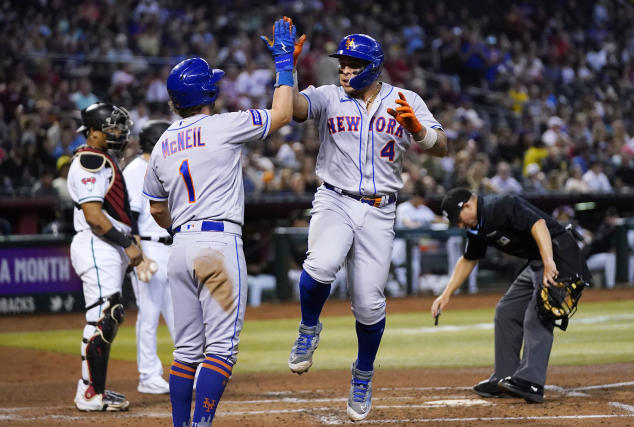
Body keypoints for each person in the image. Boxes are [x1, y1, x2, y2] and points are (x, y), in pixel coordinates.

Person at [285, 27, 447, 421]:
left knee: (369, 306)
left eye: (352, 64)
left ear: (372, 68)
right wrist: (285, 68)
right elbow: (294, 108)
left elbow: (443, 146)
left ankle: (363, 374)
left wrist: (419, 131)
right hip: (335, 197)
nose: (343, 70)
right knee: (321, 266)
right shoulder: (328, 95)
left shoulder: (406, 99)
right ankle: (308, 328)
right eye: (341, 63)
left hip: (380, 210)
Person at [142, 18, 294, 426]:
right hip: (219, 244)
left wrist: (182, 229)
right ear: (206, 92)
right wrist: (284, 64)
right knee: (221, 350)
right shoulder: (223, 125)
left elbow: (157, 209)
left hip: (180, 247)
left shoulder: (160, 145)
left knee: (186, 352)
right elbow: (282, 114)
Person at [431, 188, 591, 403]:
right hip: (538, 262)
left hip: (558, 256)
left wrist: (548, 261)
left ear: (468, 205)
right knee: (506, 311)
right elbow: (469, 259)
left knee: (539, 313)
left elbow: (539, 224)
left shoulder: (500, 206)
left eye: (459, 219)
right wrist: (446, 295)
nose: (460, 225)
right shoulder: (478, 225)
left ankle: (531, 381)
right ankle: (504, 377)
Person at [68, 102, 143, 411]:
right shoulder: (89, 160)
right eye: (112, 128)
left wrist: (129, 239)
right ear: (94, 132)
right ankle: (89, 394)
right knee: (104, 316)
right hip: (98, 243)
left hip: (106, 246)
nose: (120, 133)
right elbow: (95, 217)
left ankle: (92, 388)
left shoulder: (101, 158)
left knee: (107, 314)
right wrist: (126, 243)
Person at [123, 120, 175, 394]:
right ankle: (148, 375)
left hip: (171, 247)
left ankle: (187, 368)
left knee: (179, 314)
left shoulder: (160, 168)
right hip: (150, 247)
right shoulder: (136, 169)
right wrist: (138, 255)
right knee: (149, 314)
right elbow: (129, 215)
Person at [585, 207, 619, 289]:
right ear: (606, 218)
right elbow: (598, 241)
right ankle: (610, 287)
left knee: (610, 257)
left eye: (613, 217)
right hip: (588, 260)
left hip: (599, 259)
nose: (612, 219)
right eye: (610, 217)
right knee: (610, 257)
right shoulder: (603, 228)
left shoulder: (616, 229)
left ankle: (611, 286)